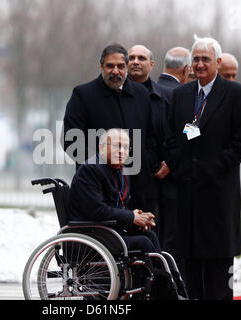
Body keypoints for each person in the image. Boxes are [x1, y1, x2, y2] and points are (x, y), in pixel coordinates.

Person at [166, 36, 241, 300]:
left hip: (218, 196)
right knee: (190, 275)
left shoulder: (236, 94)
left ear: (217, 61)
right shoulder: (181, 95)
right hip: (187, 198)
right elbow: (171, 136)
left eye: (205, 59)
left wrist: (210, 168)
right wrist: (180, 167)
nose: (200, 64)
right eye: (196, 59)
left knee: (218, 278)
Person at [63, 44, 161, 217]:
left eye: (121, 66)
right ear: (101, 66)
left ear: (127, 67)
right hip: (99, 187)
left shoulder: (141, 95)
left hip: (138, 186)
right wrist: (100, 168)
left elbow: (150, 138)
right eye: (110, 66)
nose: (115, 71)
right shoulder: (83, 95)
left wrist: (146, 164)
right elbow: (71, 140)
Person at [68, 129, 160, 253]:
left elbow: (116, 205)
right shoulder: (90, 170)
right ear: (102, 147)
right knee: (144, 242)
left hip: (109, 230)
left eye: (126, 148)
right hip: (91, 234)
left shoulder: (118, 170)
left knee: (150, 235)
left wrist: (137, 216)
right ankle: (154, 273)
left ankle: (165, 273)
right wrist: (131, 217)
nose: (122, 151)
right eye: (117, 146)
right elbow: (96, 211)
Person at [127, 45, 175, 254]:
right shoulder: (116, 95)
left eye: (141, 58)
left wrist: (171, 162)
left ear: (152, 64)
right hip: (124, 177)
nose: (136, 61)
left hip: (156, 180)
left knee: (155, 231)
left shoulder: (167, 97)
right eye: (131, 58)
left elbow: (183, 132)